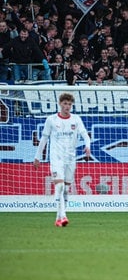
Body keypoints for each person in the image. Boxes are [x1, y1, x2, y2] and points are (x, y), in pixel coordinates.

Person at [34, 93, 91, 227]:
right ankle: (63, 216)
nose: (67, 106)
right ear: (60, 104)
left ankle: (58, 217)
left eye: (69, 104)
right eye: (65, 104)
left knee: (65, 189)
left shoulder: (76, 119)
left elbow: (85, 135)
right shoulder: (51, 120)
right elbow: (44, 139)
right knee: (59, 185)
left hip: (71, 158)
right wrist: (37, 157)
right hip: (56, 158)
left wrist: (88, 146)